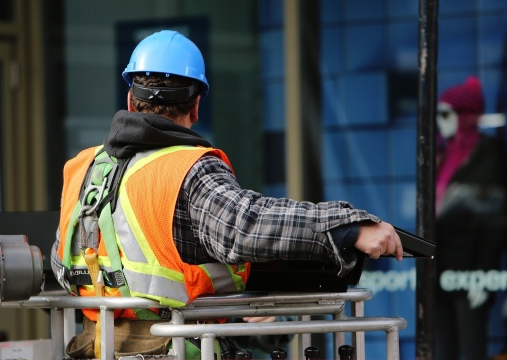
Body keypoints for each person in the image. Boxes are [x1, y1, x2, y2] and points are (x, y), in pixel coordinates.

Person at [50, 29, 403, 360]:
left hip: (97, 348)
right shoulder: (187, 169)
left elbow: (61, 260)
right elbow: (244, 225)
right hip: (173, 348)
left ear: (130, 98)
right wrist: (349, 227)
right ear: (196, 105)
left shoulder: (83, 169)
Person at [433, 76, 507, 360]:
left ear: (464, 115)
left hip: (470, 270)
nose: (440, 121)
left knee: (472, 347)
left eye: (445, 113)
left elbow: (494, 222)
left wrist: (484, 275)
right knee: (443, 349)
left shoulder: (487, 155)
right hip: (439, 267)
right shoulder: (441, 154)